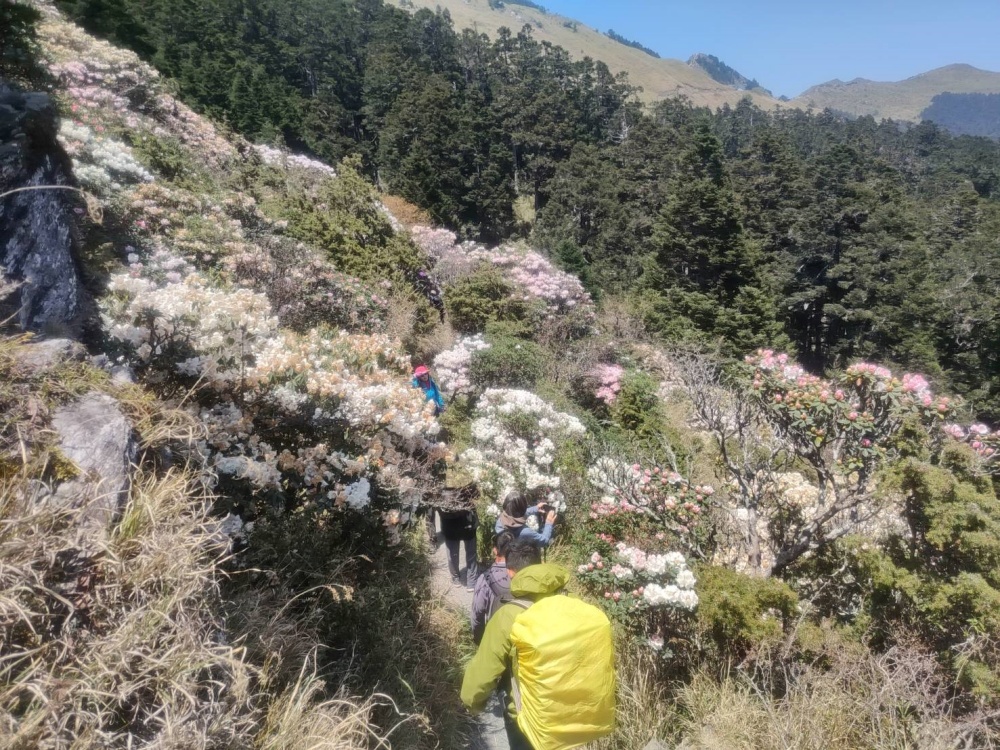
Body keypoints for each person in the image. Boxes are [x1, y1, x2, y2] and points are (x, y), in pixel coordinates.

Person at [461, 541, 545, 750]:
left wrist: (473, 703)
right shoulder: (567, 600)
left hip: (525, 711)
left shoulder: (508, 614)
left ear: (510, 572)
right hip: (568, 704)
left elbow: (485, 671)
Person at [470, 530, 516, 644]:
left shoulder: (485, 578)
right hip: (520, 636)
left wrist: (479, 639)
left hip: (496, 637)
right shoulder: (522, 573)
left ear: (495, 550)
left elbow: (477, 614)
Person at [438, 506, 479, 590]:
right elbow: (475, 497)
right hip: (466, 521)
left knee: (452, 554)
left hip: (450, 523)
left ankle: (456, 578)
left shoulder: (441, 493)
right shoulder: (467, 492)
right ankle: (471, 581)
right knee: (470, 553)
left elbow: (434, 502)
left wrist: (442, 514)